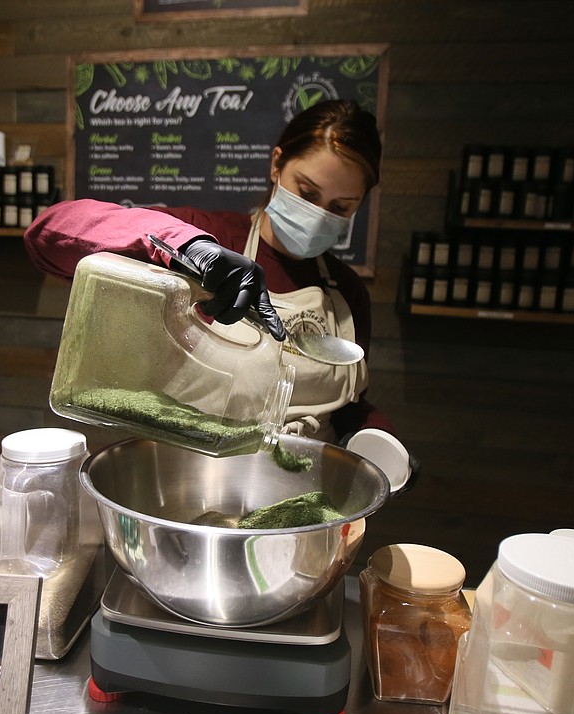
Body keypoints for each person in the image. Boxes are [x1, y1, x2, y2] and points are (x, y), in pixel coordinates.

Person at [25, 99, 413, 490]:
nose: (319, 215)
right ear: (277, 165)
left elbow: (346, 406)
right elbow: (49, 231)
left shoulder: (345, 292)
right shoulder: (208, 236)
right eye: (308, 192)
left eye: (341, 207)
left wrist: (381, 439)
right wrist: (187, 248)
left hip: (298, 492)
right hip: (184, 485)